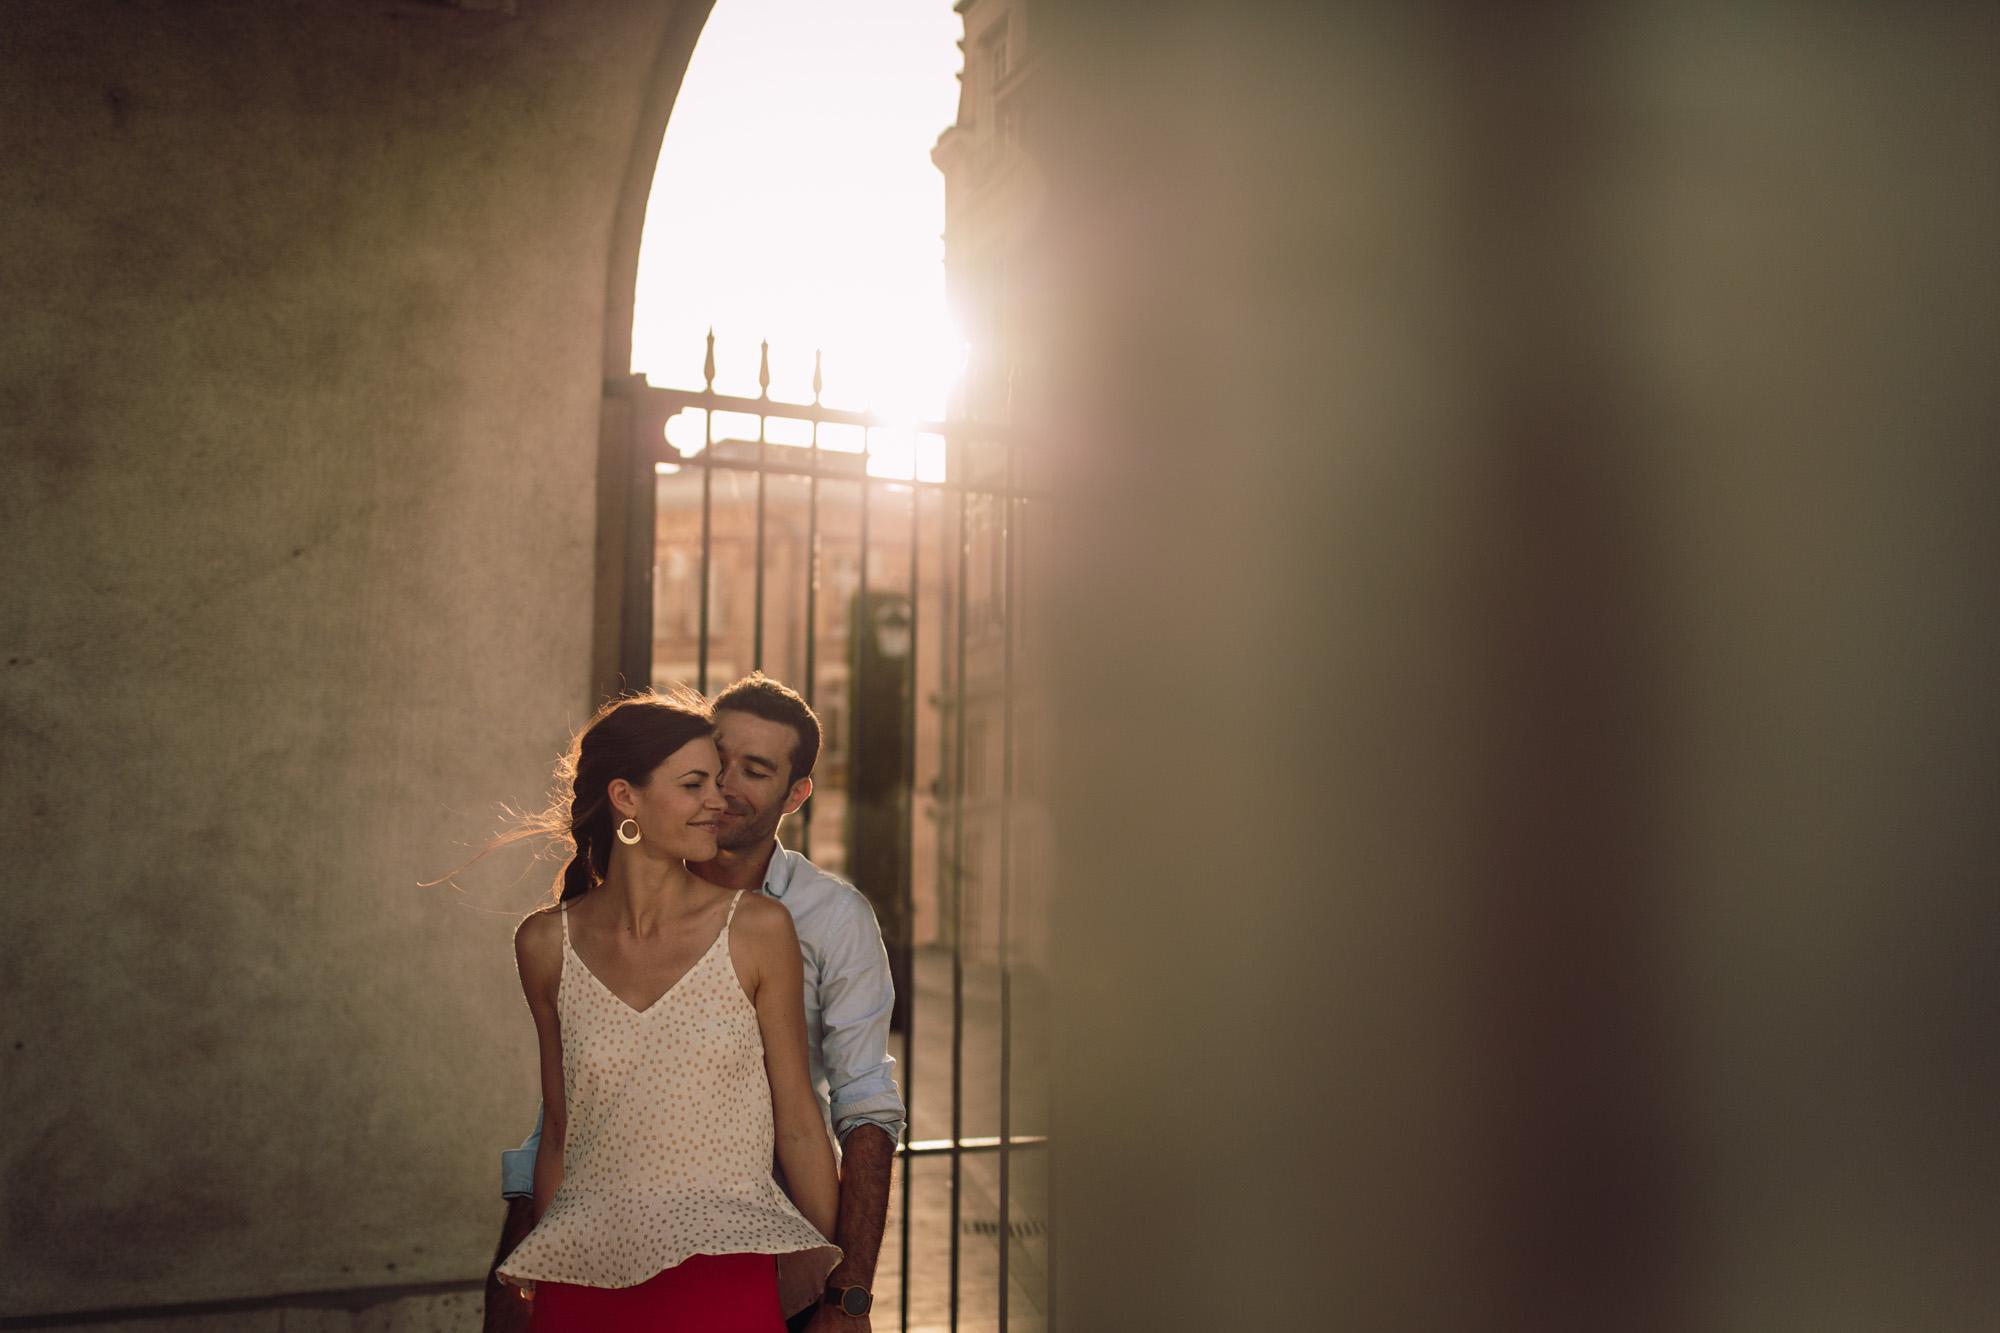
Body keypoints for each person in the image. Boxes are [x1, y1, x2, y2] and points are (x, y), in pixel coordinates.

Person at [488, 674, 905, 1333]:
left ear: (797, 792)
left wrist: (841, 1289)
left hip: (747, 1247)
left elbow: (852, 1107)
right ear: (629, 797)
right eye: (707, 772)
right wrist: (522, 1261)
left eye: (753, 770)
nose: (723, 792)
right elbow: (565, 1121)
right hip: (589, 1260)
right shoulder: (552, 939)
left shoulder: (801, 922)